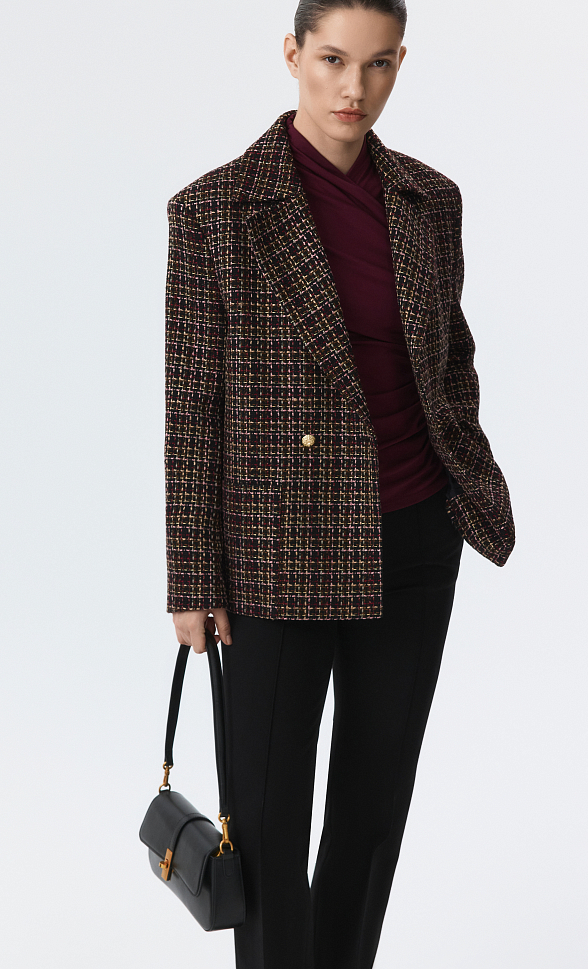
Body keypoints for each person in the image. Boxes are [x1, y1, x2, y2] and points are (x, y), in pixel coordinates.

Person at [164, 2, 514, 967]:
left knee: (371, 808)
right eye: (330, 60)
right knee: (265, 819)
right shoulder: (214, 210)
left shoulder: (429, 199)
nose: (352, 88)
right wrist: (193, 576)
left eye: (377, 64)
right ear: (291, 55)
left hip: (414, 535)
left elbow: (448, 354)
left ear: (399, 63)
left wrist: (464, 475)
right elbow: (192, 405)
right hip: (278, 550)